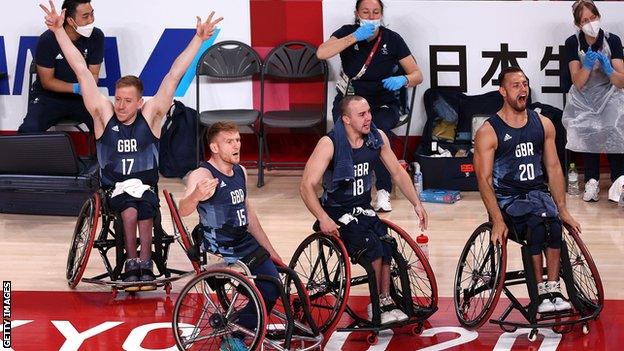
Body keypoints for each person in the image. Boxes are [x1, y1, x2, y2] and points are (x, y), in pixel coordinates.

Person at [39, 0, 223, 285]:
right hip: (114, 189)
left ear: (140, 102)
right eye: (118, 99)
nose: (121, 105)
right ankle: (130, 262)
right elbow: (81, 70)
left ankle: (145, 264)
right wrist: (58, 31)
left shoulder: (150, 117)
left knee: (144, 205)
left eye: (127, 101)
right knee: (129, 208)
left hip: (146, 187)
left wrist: (198, 39)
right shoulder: (103, 115)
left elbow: (173, 75)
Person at [300, 95, 427, 324]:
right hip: (336, 213)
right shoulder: (329, 144)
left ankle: (386, 299)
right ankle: (376, 305)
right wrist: (323, 218)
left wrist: (416, 203)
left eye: (369, 112)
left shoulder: (376, 138)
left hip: (362, 209)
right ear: (346, 119)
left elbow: (397, 172)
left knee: (388, 243)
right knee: (373, 247)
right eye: (362, 114)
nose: (369, 117)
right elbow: (306, 186)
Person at [474, 67, 582, 314]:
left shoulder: (543, 124)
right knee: (535, 226)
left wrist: (563, 209)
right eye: (515, 85)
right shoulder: (489, 131)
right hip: (508, 199)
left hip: (537, 195)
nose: (523, 89)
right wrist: (497, 219)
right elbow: (483, 178)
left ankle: (552, 289)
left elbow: (554, 168)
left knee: (553, 223)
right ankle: (540, 292)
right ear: (502, 91)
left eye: (525, 84)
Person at [178, 122, 283, 351]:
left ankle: (241, 323)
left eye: (238, 140)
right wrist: (196, 194)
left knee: (276, 283)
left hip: (244, 243)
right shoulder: (203, 174)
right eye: (229, 141)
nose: (237, 145)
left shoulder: (240, 172)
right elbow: (182, 209)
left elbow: (249, 216)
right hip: (220, 249)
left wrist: (271, 250)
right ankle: (234, 333)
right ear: (214, 147)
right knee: (267, 288)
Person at [316, 0, 423, 212]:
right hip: (350, 101)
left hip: (383, 102)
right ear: (357, 13)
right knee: (338, 133)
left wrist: (402, 80)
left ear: (382, 15)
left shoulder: (392, 39)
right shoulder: (348, 32)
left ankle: (383, 190)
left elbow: (417, 74)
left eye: (376, 13)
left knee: (379, 132)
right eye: (366, 12)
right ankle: (337, 187)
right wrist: (354, 37)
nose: (371, 16)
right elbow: (321, 53)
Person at [562, 0, 624, 202]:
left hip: (609, 96)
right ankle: (591, 181)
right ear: (578, 24)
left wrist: (609, 70)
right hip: (584, 99)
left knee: (614, 129)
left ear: (598, 16)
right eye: (585, 20)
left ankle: (619, 182)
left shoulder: (612, 40)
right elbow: (577, 82)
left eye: (593, 17)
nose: (590, 23)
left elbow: (621, 81)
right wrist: (587, 66)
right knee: (588, 133)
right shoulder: (573, 43)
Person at [19, 0, 104, 133]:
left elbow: (94, 74)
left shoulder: (96, 36)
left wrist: (87, 88)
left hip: (83, 98)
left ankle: (99, 155)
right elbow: (47, 82)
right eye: (85, 16)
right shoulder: (48, 39)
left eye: (92, 14)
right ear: (70, 20)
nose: (91, 20)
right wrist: (76, 88)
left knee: (105, 124)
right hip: (49, 97)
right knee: (29, 129)